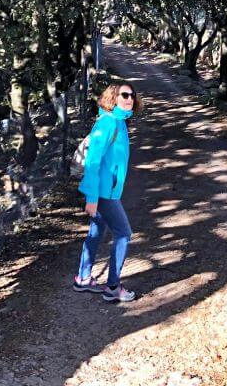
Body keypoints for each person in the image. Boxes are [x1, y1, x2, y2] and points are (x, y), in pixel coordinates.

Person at [72, 81, 142, 302]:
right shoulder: (108, 124)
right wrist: (92, 199)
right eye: (124, 94)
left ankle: (83, 278)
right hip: (103, 193)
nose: (130, 98)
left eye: (132, 95)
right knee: (123, 234)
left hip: (107, 191)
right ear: (113, 97)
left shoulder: (120, 122)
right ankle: (113, 287)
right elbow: (93, 163)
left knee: (96, 232)